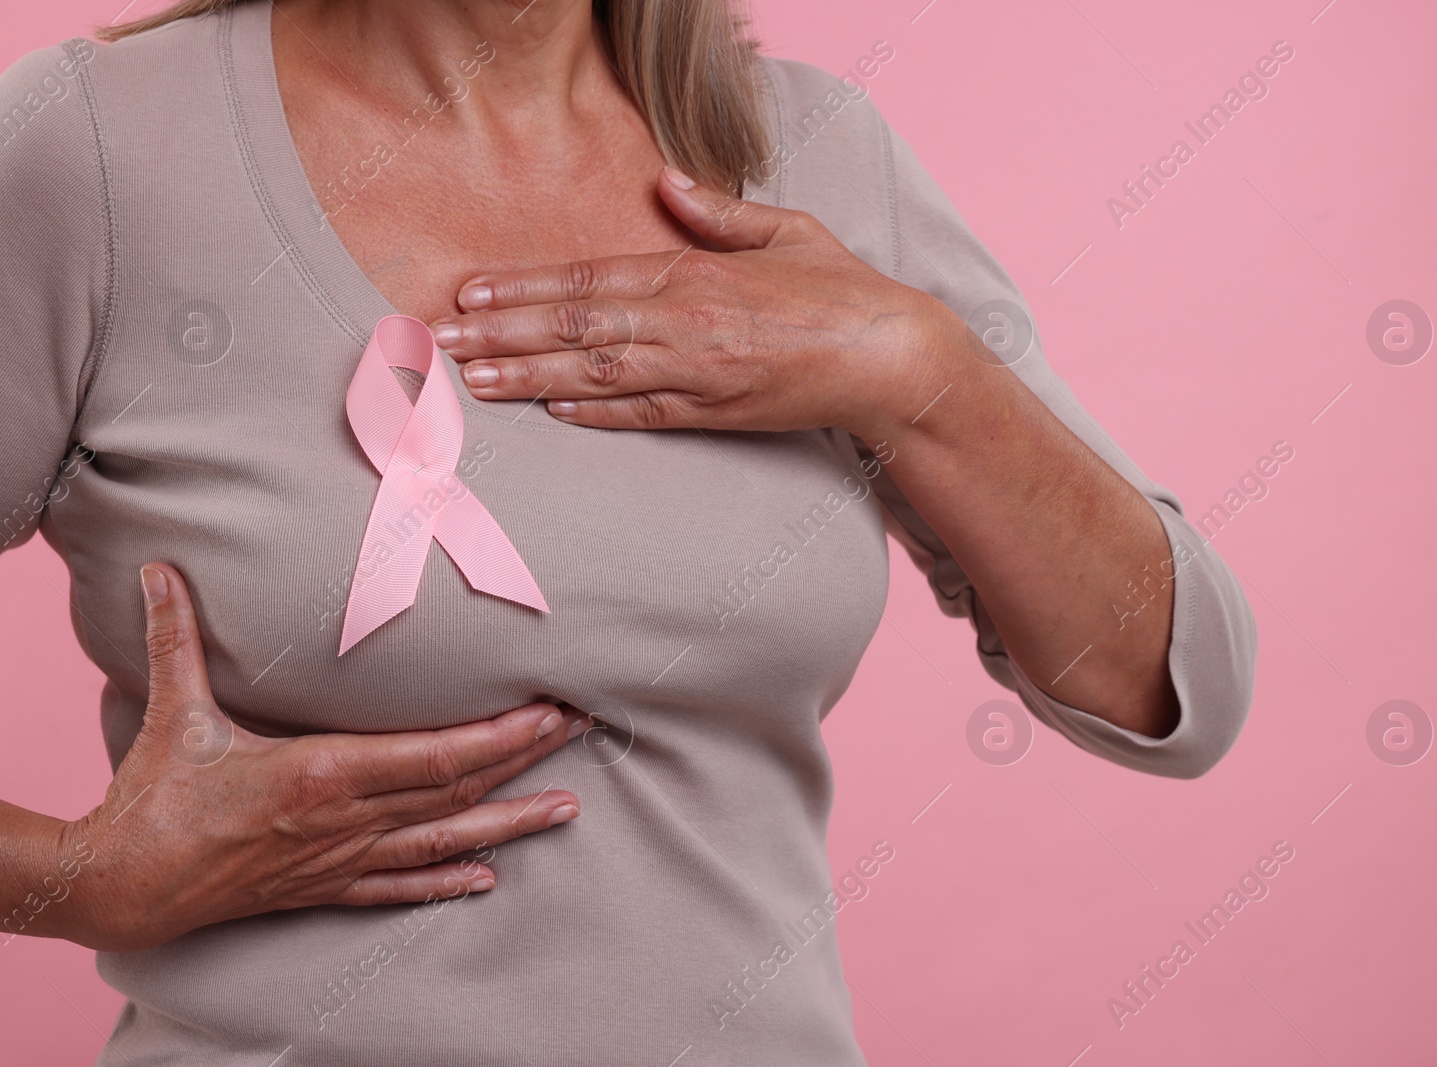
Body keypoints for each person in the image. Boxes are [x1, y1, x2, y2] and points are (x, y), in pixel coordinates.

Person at [0, 0, 1257, 1062]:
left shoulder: (813, 153)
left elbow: (1172, 680)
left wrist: (912, 364)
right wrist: (84, 879)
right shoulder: (98, 152)